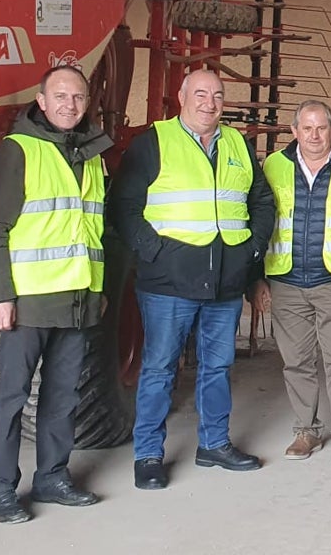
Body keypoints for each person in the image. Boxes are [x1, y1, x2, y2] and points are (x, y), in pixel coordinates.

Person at [109, 69, 275, 490]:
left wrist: (250, 250)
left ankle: (214, 444)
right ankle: (148, 455)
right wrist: (154, 252)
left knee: (217, 366)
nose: (209, 102)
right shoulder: (154, 141)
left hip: (224, 280)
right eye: (200, 94)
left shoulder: (237, 143)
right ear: (181, 96)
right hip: (167, 282)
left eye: (217, 95)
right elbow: (124, 206)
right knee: (160, 368)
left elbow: (260, 200)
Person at [0, 65, 111, 524]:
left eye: (77, 97)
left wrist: (98, 290)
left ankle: (53, 477)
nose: (69, 105)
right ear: (41, 99)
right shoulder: (18, 150)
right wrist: (0, 296)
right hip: (28, 301)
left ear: (86, 103)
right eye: (60, 96)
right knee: (11, 397)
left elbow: (93, 230)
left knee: (63, 396)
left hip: (76, 299)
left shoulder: (92, 154)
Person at [252, 100, 331, 469]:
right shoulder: (273, 165)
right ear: (294, 132)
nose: (314, 135)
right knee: (296, 362)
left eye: (321, 127)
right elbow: (259, 223)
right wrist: (257, 280)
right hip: (286, 281)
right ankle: (307, 430)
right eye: (306, 128)